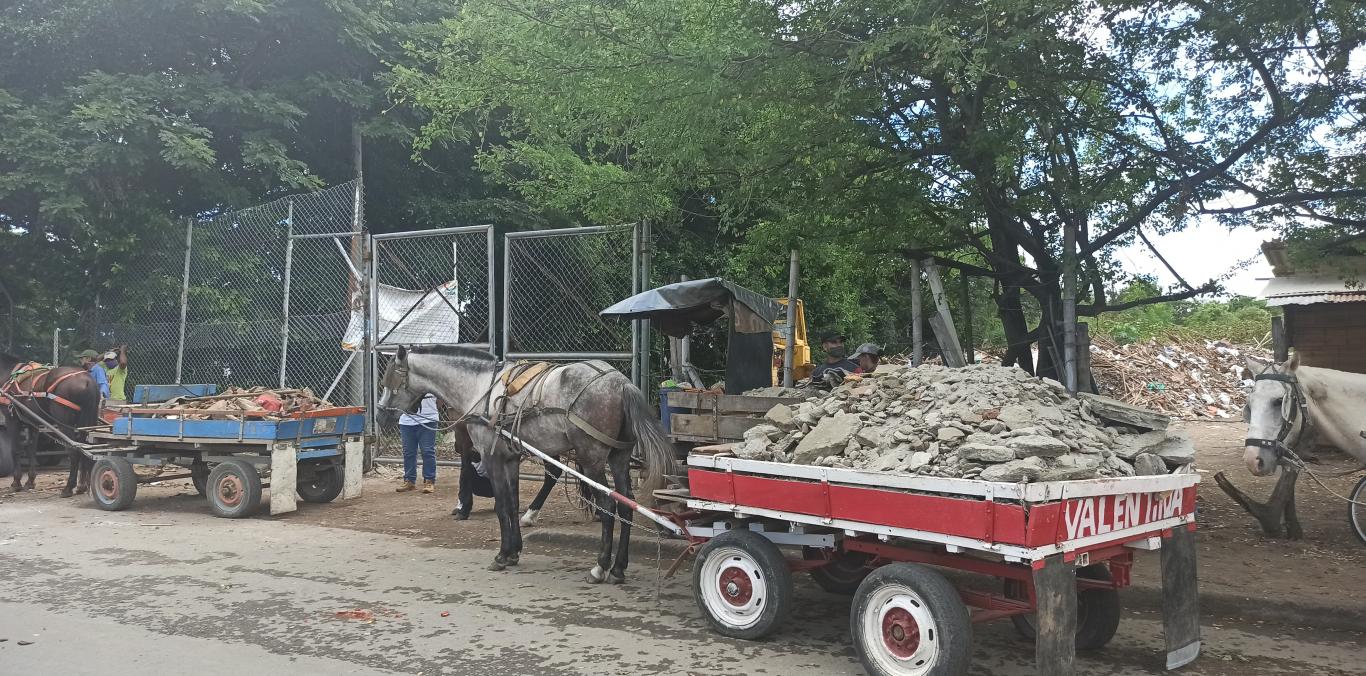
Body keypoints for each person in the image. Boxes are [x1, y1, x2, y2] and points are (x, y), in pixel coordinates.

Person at [396, 392, 439, 493]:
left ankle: (429, 481)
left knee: (427, 451)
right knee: (408, 452)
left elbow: (440, 398)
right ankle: (409, 481)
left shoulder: (431, 378)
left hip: (428, 419)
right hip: (406, 420)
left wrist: (432, 409)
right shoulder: (404, 379)